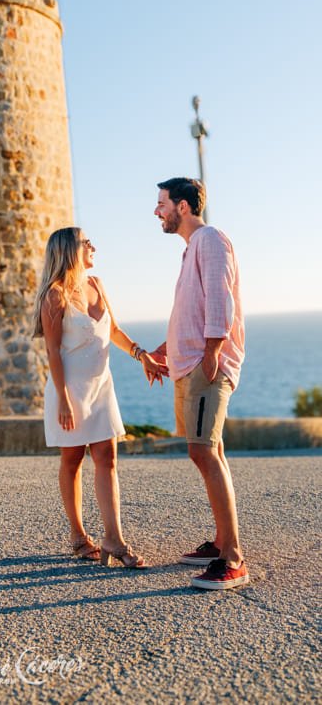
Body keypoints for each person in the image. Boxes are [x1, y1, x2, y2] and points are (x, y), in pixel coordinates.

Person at [32, 227, 166, 568]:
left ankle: (113, 539)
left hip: (101, 387)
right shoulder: (54, 296)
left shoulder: (96, 284)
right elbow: (52, 352)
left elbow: (115, 331)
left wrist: (143, 356)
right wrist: (62, 398)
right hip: (70, 389)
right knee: (73, 459)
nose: (92, 245)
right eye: (85, 242)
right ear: (69, 251)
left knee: (107, 459)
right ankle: (78, 535)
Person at [151, 177, 248, 590]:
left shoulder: (209, 239)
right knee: (211, 451)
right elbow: (189, 311)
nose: (158, 211)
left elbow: (219, 301)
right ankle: (222, 542)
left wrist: (211, 354)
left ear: (184, 207)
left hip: (206, 365)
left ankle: (233, 559)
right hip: (189, 361)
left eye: (162, 204)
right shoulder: (193, 248)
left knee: (202, 451)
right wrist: (164, 351)